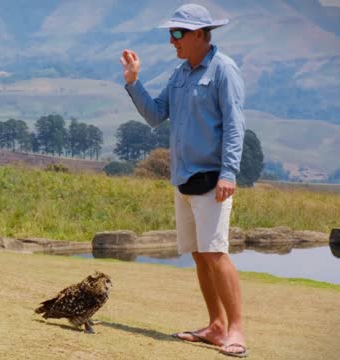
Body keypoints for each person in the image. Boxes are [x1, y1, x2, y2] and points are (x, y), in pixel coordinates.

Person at [120, 4, 247, 358]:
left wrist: (229, 173)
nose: (171, 40)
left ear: (198, 35)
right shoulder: (180, 74)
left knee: (216, 254)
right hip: (183, 180)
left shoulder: (224, 70)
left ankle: (236, 330)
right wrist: (133, 82)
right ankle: (216, 325)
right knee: (199, 254)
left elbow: (235, 126)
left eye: (177, 33)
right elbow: (156, 115)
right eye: (171, 33)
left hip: (213, 180)